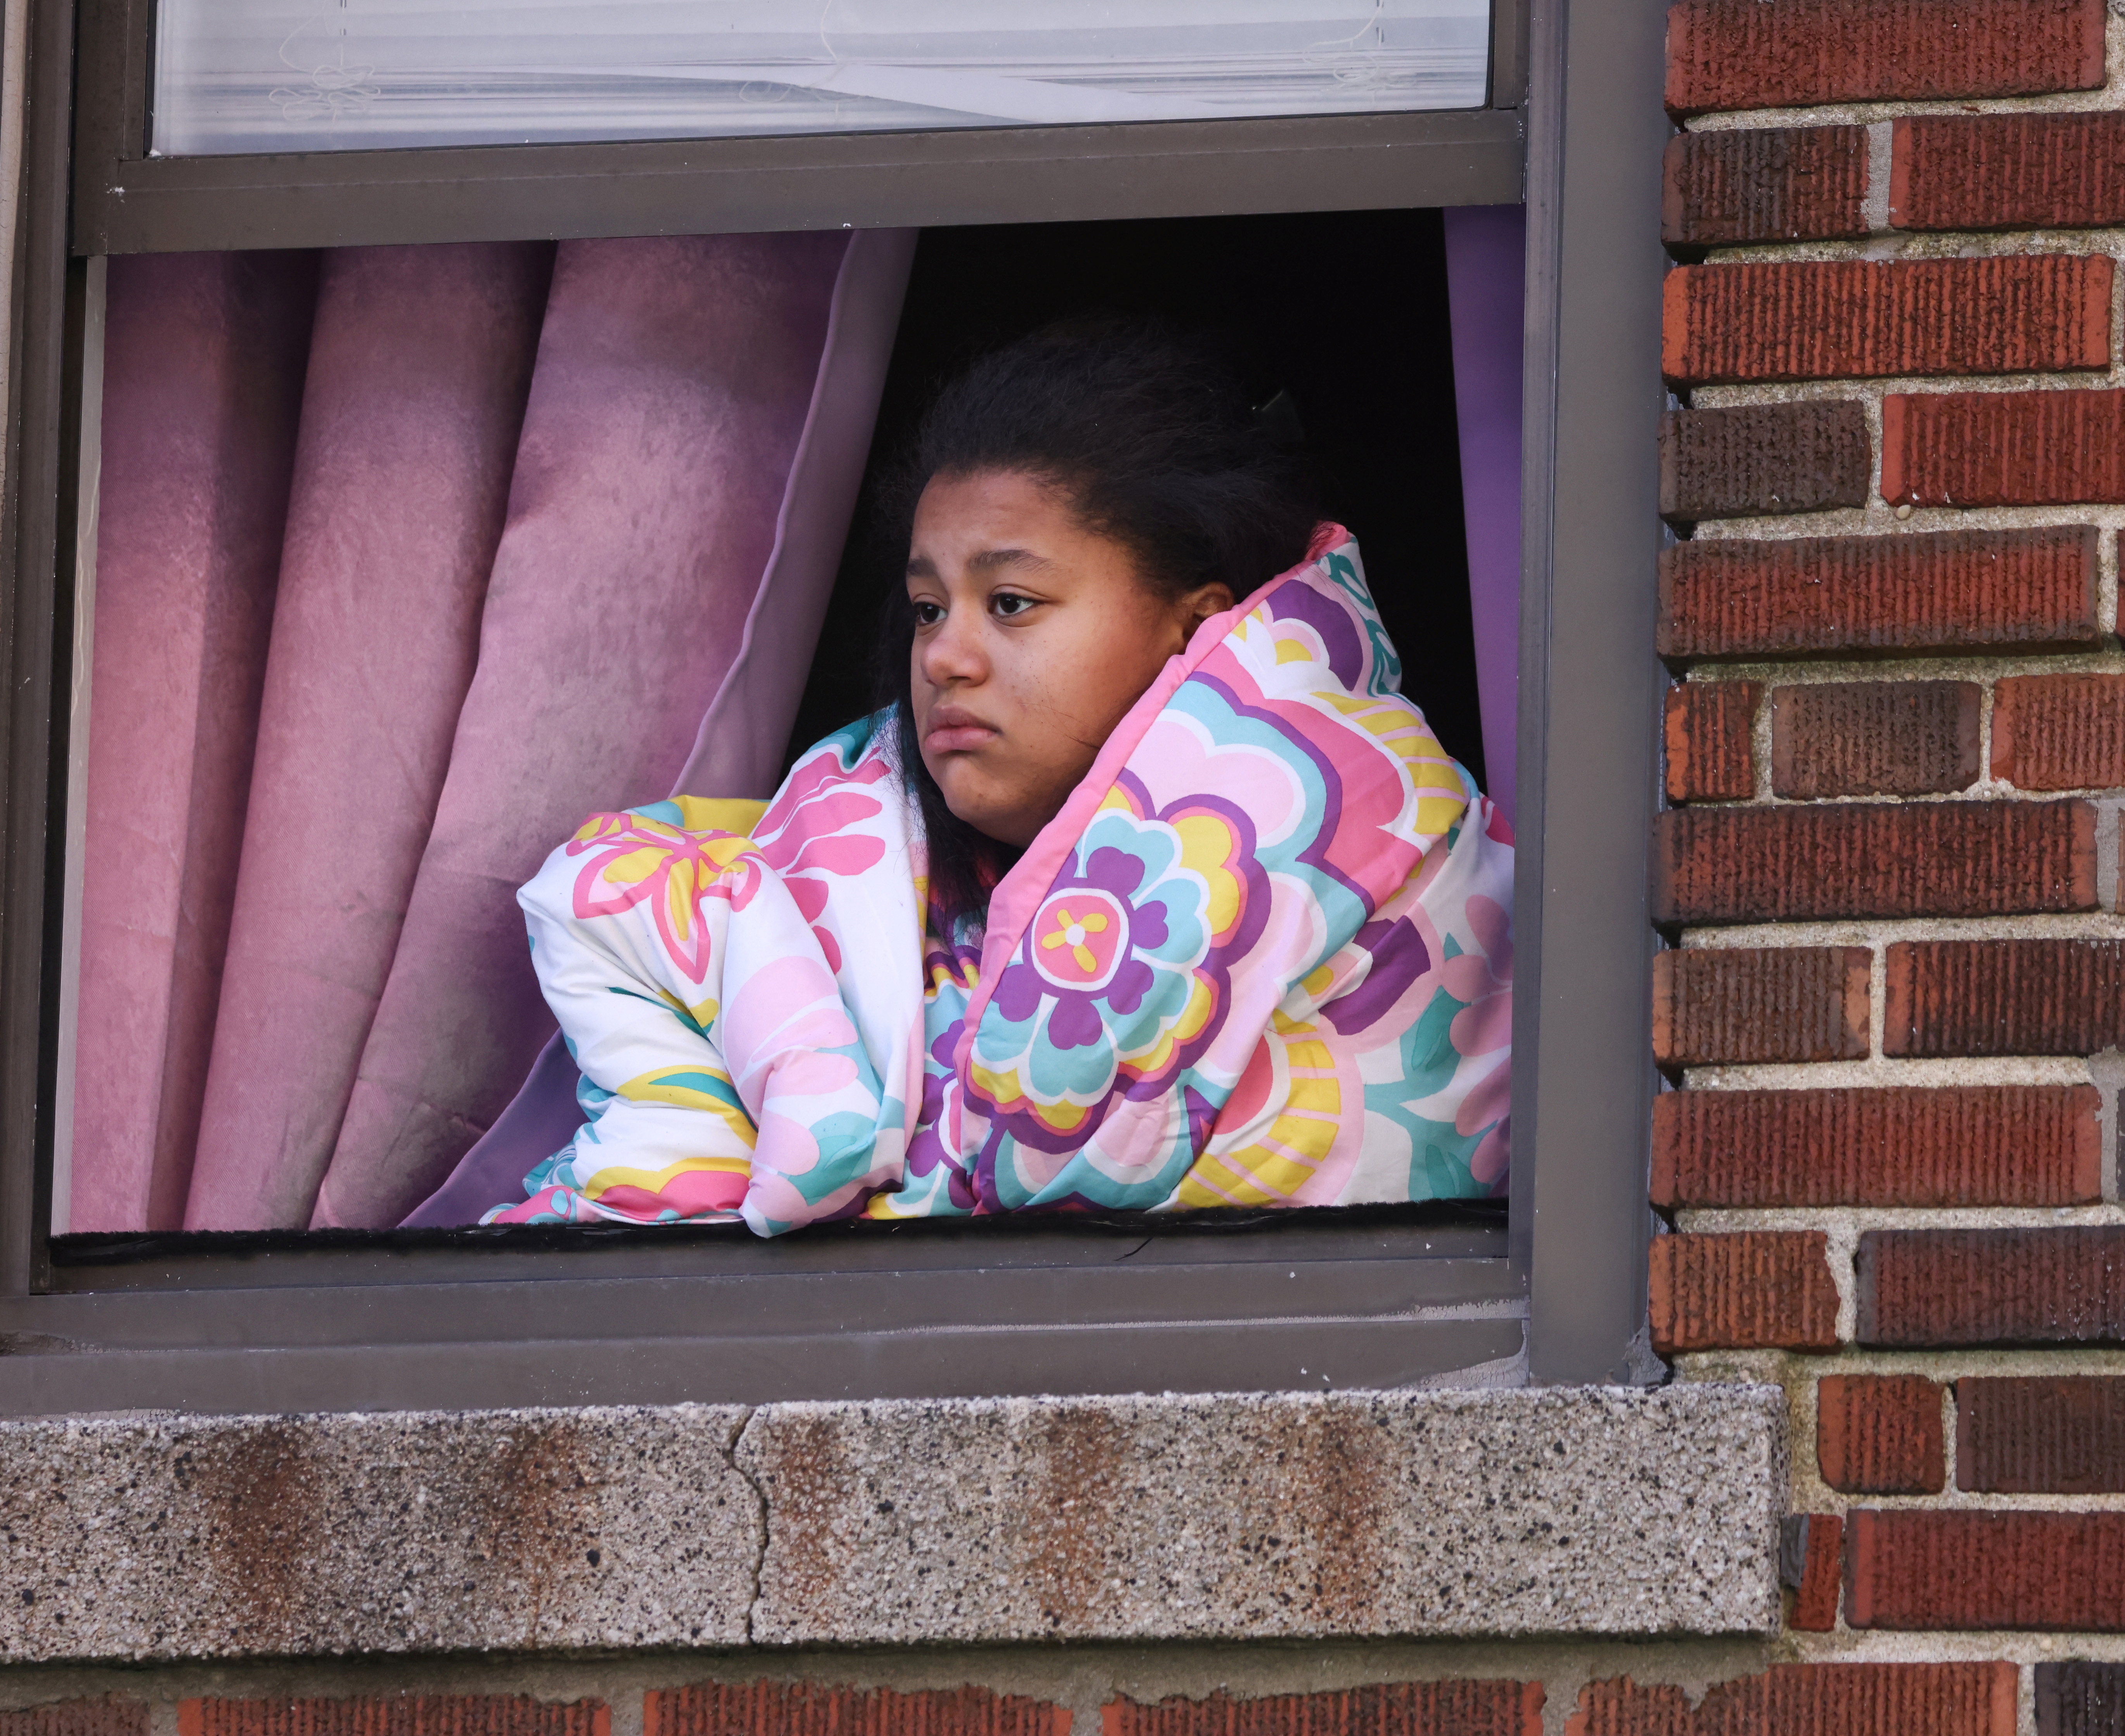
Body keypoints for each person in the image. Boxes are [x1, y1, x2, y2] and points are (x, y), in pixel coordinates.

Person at [484, 321, 1515, 1234]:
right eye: (929, 608)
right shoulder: (803, 886)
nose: (944, 657)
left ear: (1198, 627)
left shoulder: (1384, 839)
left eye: (1012, 602)